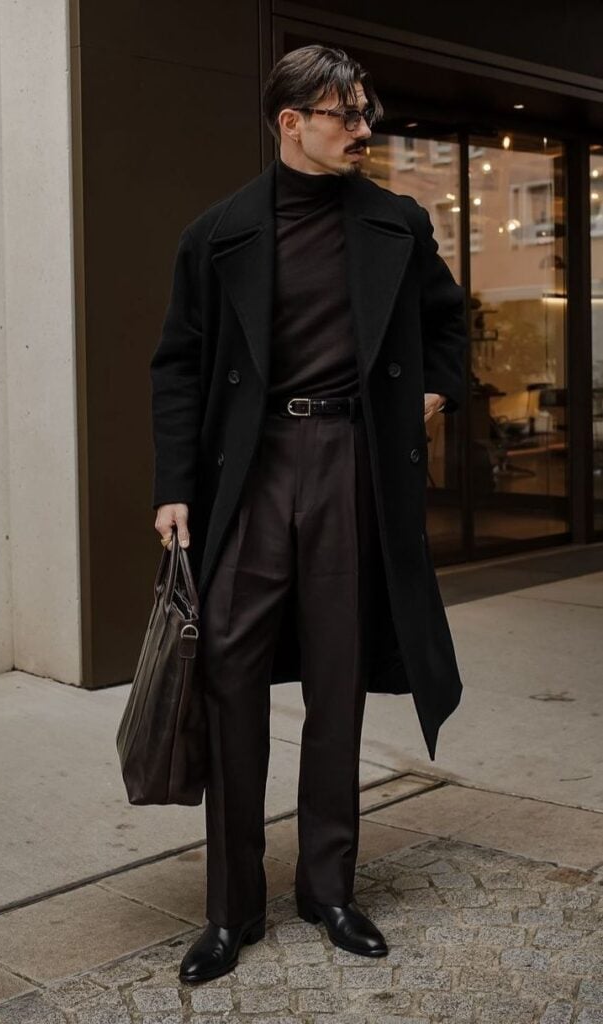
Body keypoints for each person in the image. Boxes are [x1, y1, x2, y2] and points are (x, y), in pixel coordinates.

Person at [149, 43, 467, 985]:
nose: (363, 129)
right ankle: (230, 909)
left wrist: (436, 393)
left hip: (353, 464)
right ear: (291, 122)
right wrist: (173, 486)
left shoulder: (397, 225)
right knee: (229, 682)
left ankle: (329, 889)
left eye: (365, 111)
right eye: (345, 115)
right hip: (246, 472)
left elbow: (449, 321)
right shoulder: (218, 233)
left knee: (336, 680)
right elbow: (178, 365)